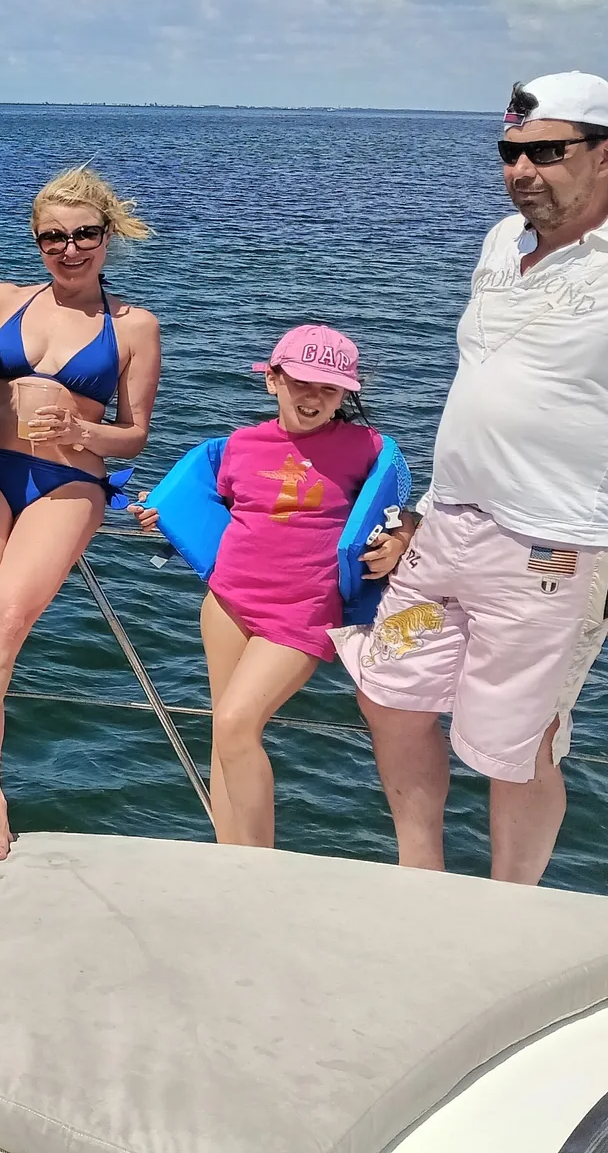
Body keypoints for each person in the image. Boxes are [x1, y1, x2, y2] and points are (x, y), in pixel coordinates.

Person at [334, 71, 608, 884]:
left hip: (561, 545)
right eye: (510, 153)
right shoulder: (501, 244)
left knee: (516, 745)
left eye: (547, 152)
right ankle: (422, 882)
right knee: (389, 692)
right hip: (451, 524)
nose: (522, 170)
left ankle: (507, 908)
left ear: (607, 154)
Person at [0, 168, 160, 856]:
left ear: (107, 236)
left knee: (7, 622)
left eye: (85, 235)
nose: (69, 249)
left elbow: (134, 434)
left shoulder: (134, 327)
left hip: (69, 478)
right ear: (37, 241)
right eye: (53, 237)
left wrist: (81, 432)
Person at [133, 326, 402, 848]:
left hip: (302, 612)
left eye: (329, 388)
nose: (313, 397)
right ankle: (227, 860)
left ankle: (259, 870)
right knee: (224, 733)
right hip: (227, 601)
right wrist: (161, 515)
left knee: (237, 724)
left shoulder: (366, 448)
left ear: (345, 395)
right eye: (301, 382)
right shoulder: (240, 445)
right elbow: (217, 507)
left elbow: (397, 512)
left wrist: (399, 539)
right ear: (272, 380)